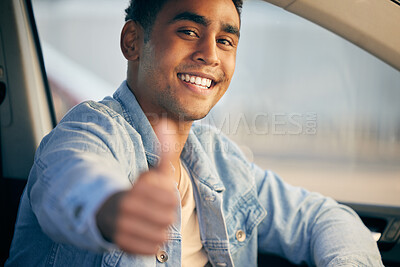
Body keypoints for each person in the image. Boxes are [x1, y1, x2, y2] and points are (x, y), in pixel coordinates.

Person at [6, 0, 384, 266]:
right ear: (132, 42)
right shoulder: (90, 130)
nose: (211, 54)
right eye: (188, 31)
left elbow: (320, 217)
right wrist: (113, 211)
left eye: (226, 40)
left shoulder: (221, 159)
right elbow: (71, 179)